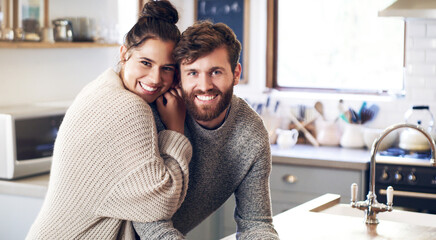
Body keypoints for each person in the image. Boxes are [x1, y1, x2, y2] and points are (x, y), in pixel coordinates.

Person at [26, 1, 192, 239]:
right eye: (146, 63)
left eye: (167, 68)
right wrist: (176, 129)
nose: (156, 78)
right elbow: (162, 202)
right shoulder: (130, 107)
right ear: (124, 53)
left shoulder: (101, 86)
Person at [133, 20, 280, 239]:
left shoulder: (250, 133)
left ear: (236, 73)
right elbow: (149, 221)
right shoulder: (151, 118)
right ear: (178, 78)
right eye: (192, 73)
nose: (204, 85)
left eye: (216, 72)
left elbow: (256, 222)